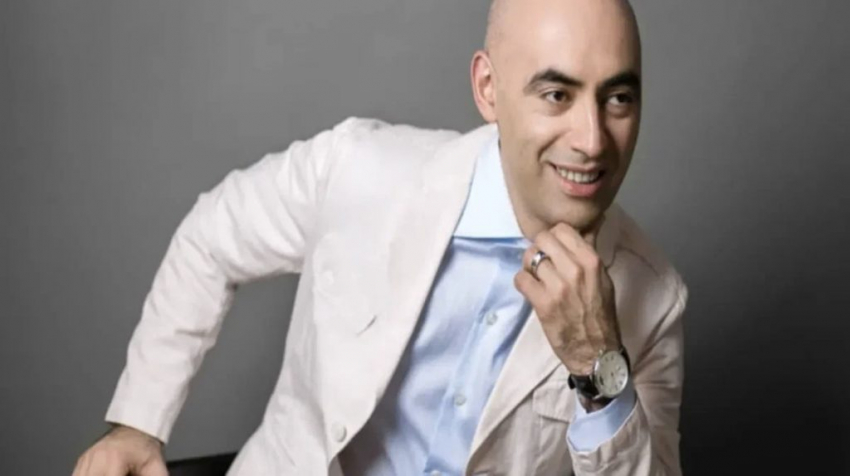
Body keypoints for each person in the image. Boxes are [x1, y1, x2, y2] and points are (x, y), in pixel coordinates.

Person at [73, 0, 688, 474]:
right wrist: (137, 425)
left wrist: (597, 366)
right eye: (556, 94)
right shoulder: (358, 167)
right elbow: (212, 235)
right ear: (488, 88)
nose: (592, 140)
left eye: (618, 98)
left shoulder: (656, 299)